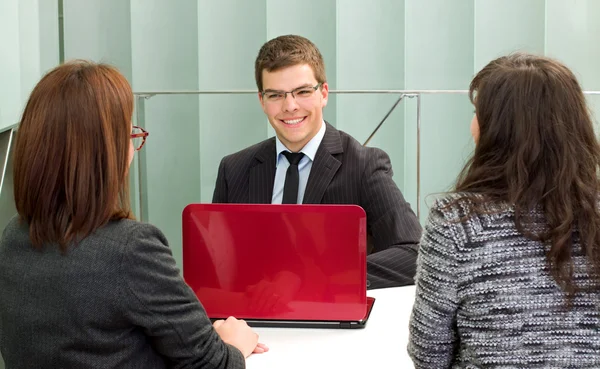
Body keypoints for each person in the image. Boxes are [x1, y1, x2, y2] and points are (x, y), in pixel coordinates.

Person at [0, 60, 267, 369]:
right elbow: (212, 364)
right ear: (105, 152)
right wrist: (235, 342)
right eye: (129, 135)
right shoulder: (131, 248)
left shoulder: (12, 238)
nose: (132, 148)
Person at [408, 53, 600, 368]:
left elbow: (429, 355)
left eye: (476, 113)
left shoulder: (456, 222)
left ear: (497, 128)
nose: (472, 125)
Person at [212, 35, 422, 289]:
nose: (290, 106)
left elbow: (414, 253)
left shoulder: (364, 165)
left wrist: (317, 280)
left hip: (331, 321)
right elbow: (216, 266)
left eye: (302, 92)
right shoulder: (233, 170)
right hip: (253, 318)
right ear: (262, 101)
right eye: (276, 95)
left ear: (323, 93)